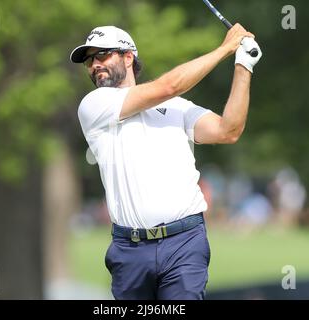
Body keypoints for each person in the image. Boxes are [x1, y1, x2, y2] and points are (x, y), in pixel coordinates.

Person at [70, 25, 262, 300]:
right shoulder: (94, 105)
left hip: (184, 242)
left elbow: (227, 130)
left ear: (128, 58)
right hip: (130, 249)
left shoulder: (177, 107)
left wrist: (243, 65)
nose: (95, 65)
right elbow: (168, 86)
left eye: (103, 55)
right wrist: (224, 48)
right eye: (89, 60)